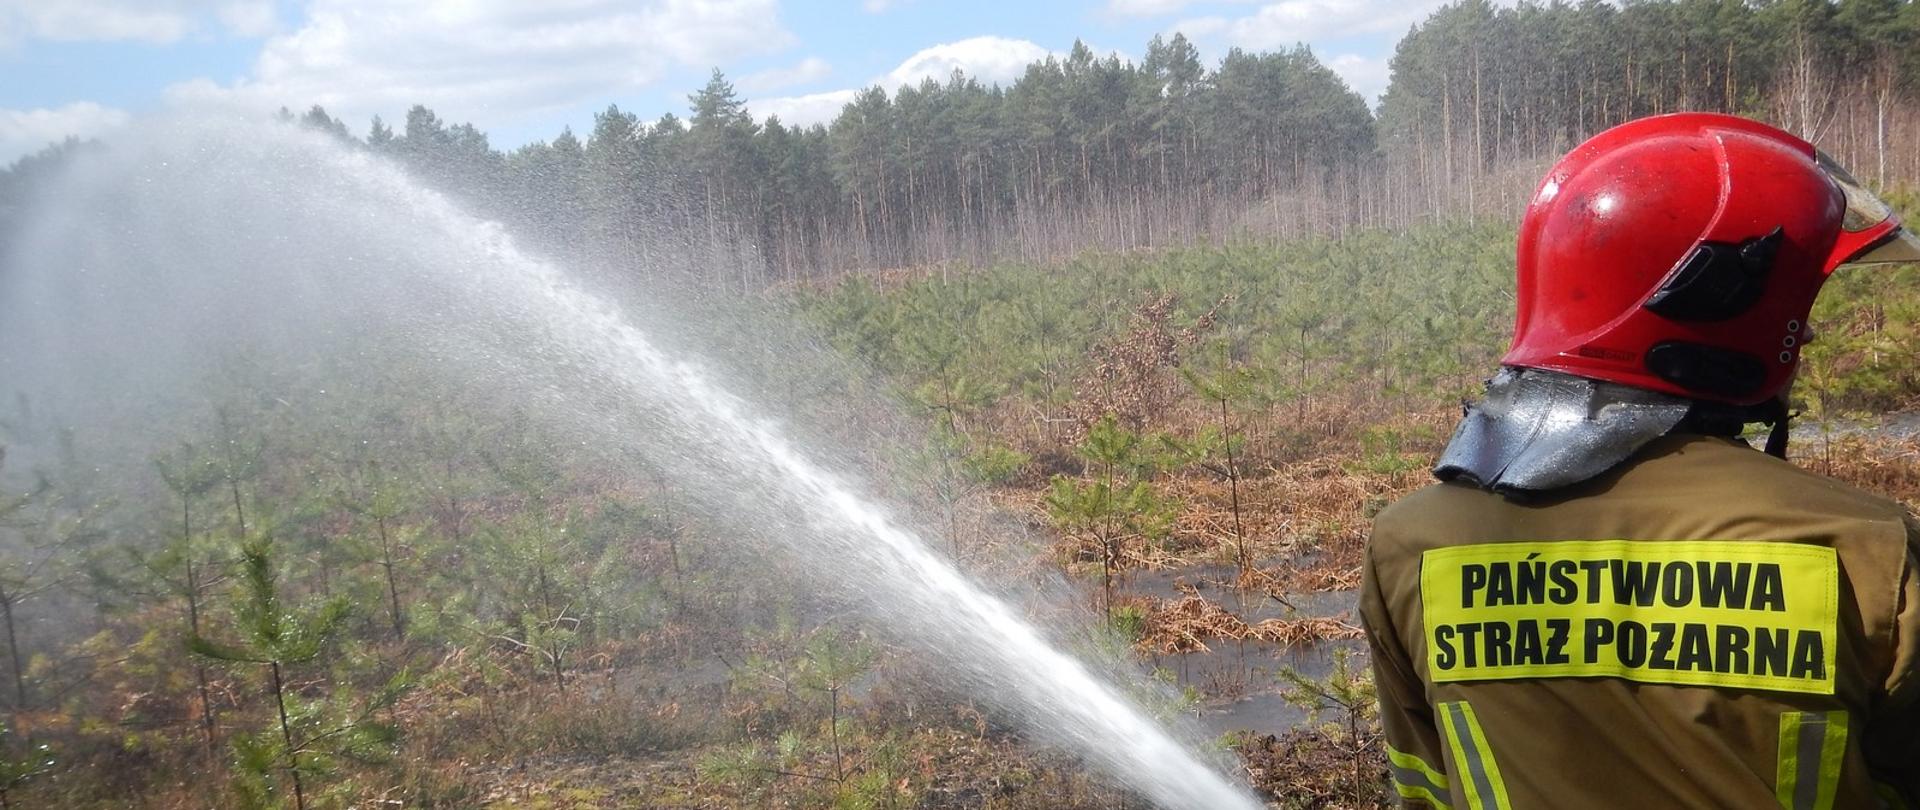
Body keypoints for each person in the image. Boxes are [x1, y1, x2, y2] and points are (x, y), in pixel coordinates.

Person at [1361, 112, 1920, 810]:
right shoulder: (1869, 546)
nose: (1805, 329)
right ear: (1726, 311)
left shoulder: (1408, 544)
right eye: (1797, 305)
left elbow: (1424, 785)